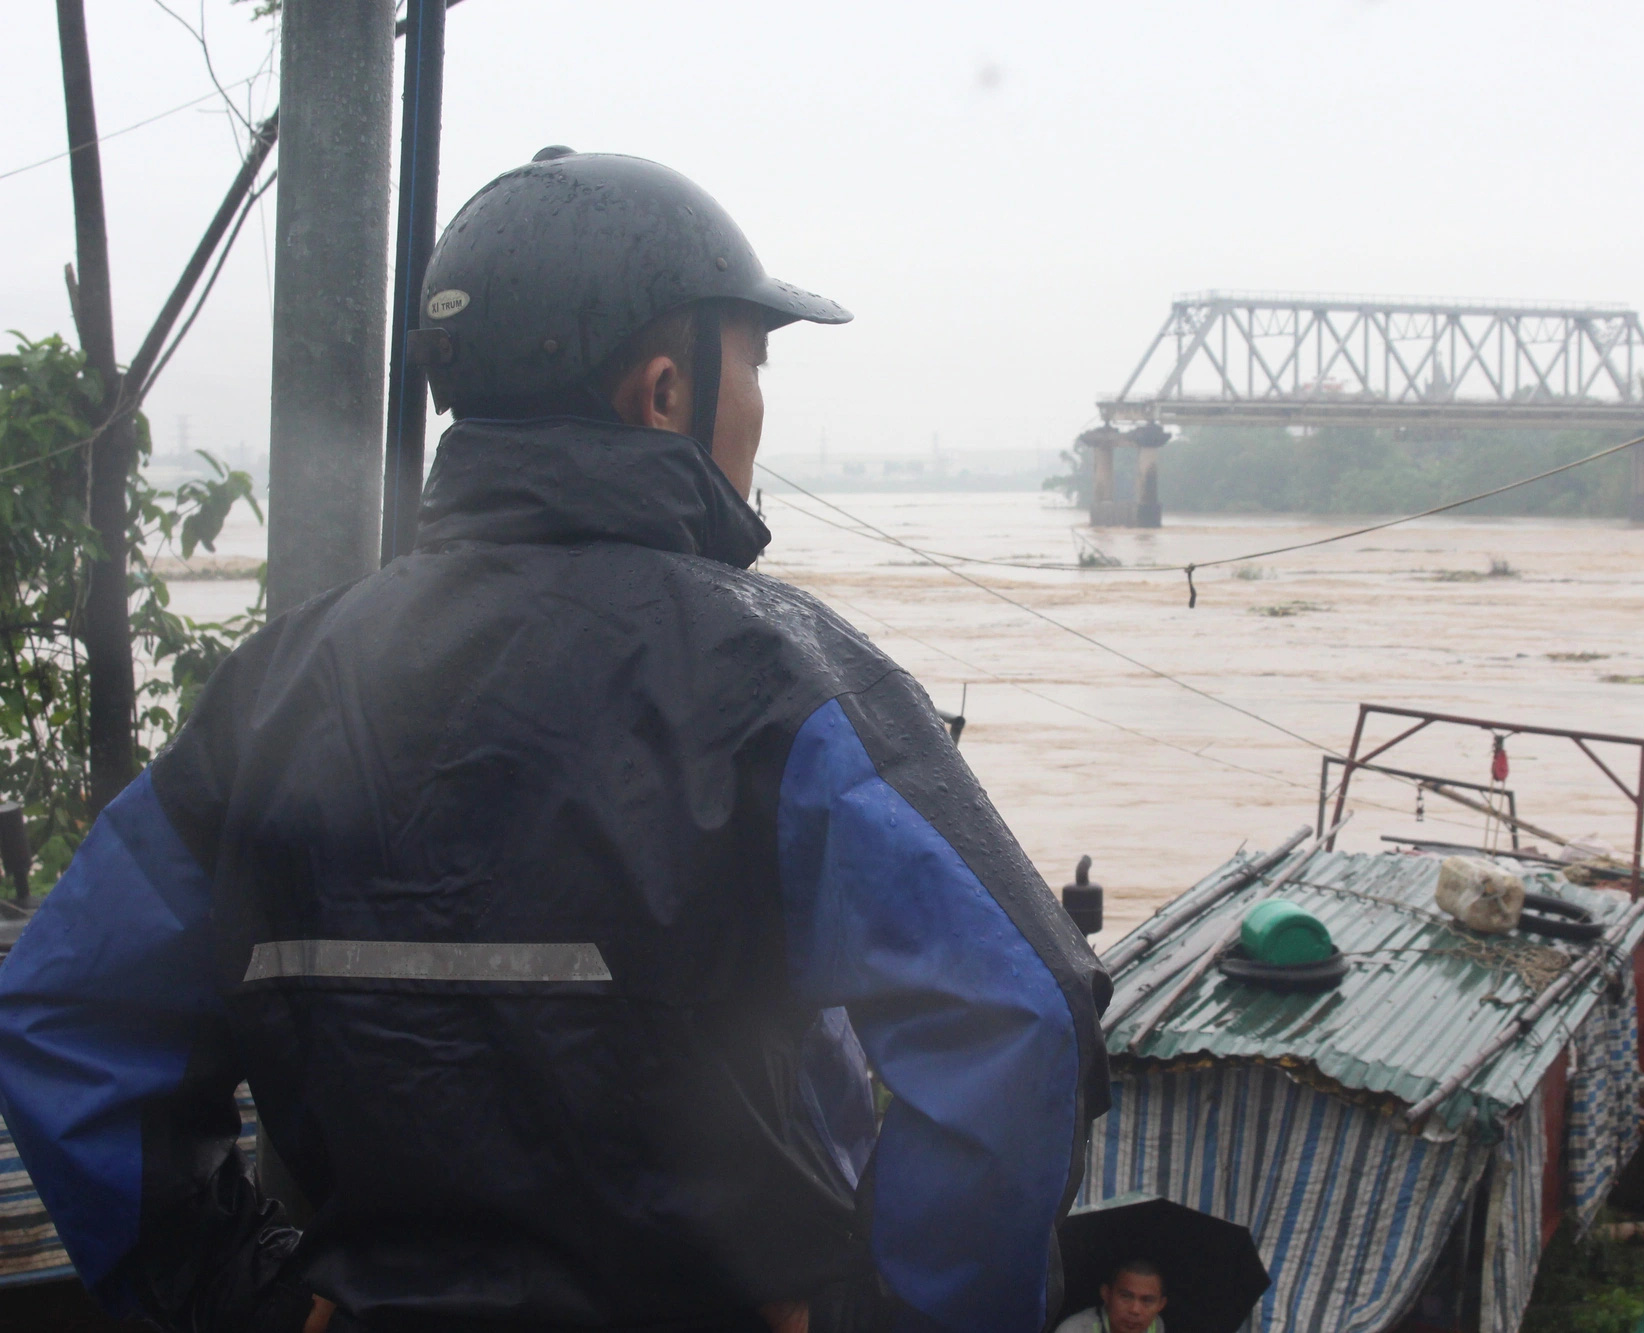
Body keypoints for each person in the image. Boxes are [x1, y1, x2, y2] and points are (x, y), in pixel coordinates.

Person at [0, 150, 1109, 1333]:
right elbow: (1014, 1016)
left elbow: (64, 1016)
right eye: (757, 363)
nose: (759, 408)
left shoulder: (273, 686)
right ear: (667, 390)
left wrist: (244, 1295)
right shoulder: (780, 678)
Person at [1053, 1260, 1168, 1333]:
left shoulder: (1155, 1325)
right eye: (1126, 1297)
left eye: (1147, 1301)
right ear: (1106, 1294)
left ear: (1161, 1305)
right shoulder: (1075, 1330)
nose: (1135, 1310)